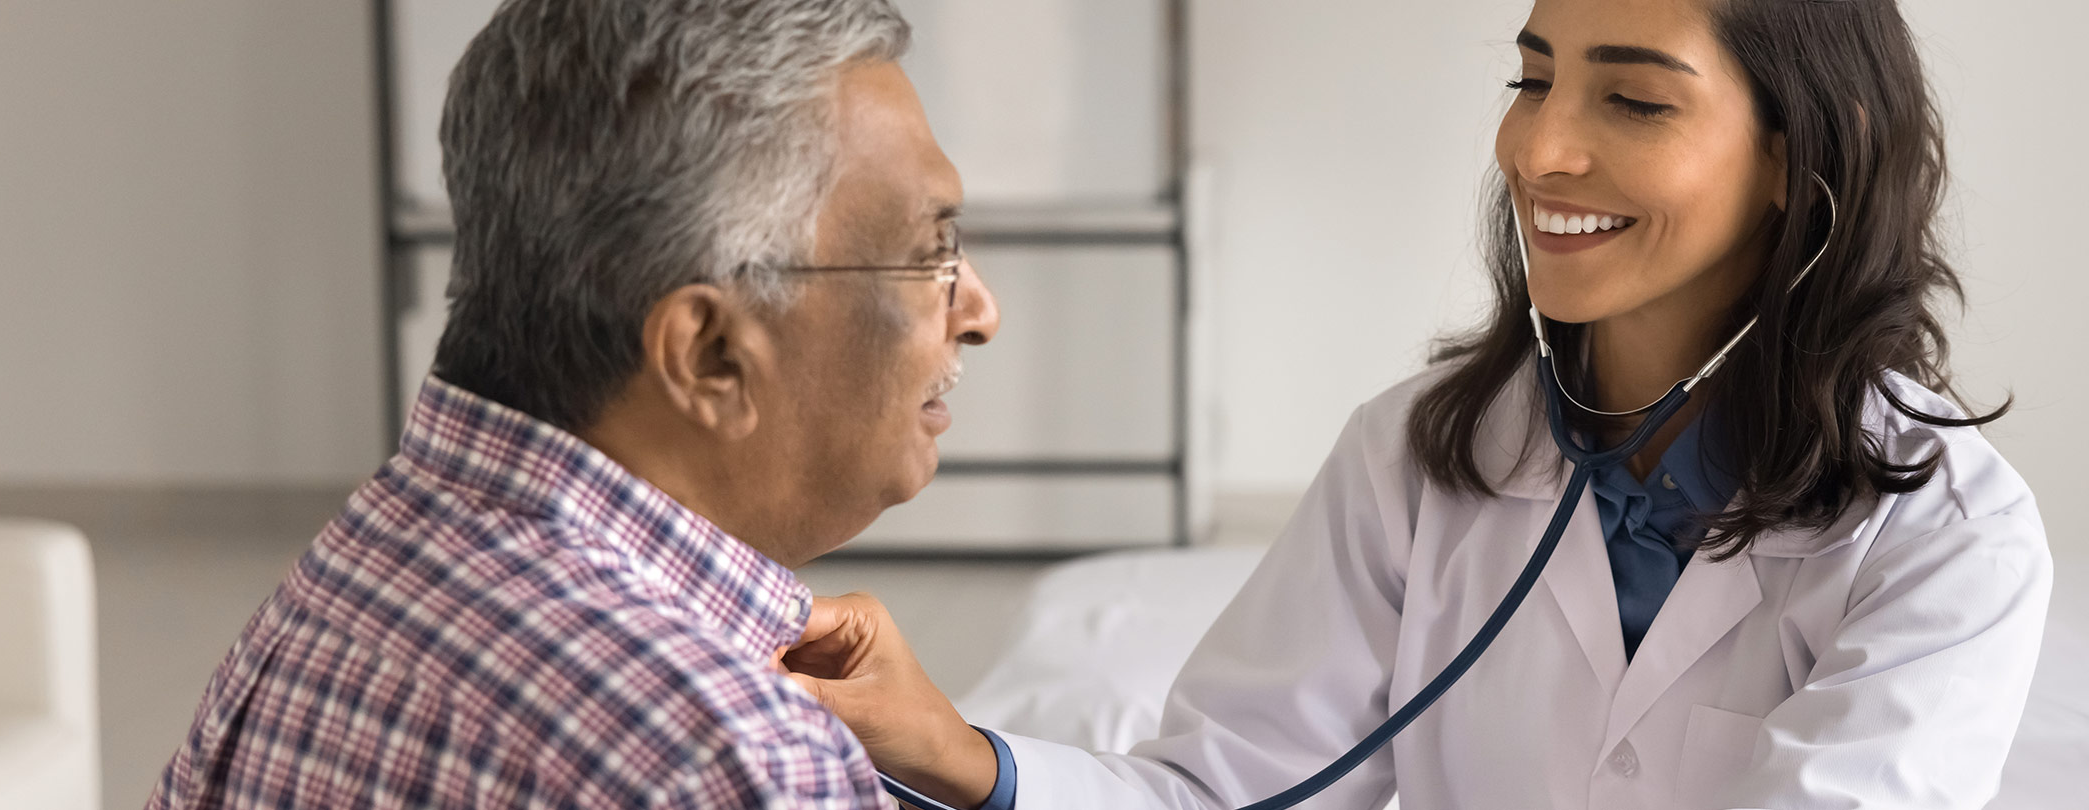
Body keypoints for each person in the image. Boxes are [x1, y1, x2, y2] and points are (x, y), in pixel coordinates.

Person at [785, 0, 2052, 808]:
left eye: (1634, 98)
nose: (1540, 148)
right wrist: (956, 751)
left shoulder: (1945, 532)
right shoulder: (1418, 452)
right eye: (1532, 77)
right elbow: (1228, 791)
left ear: (1801, 157)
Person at [146, 1, 1002, 807]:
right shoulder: (740, 759)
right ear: (710, 355)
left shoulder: (347, 580)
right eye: (934, 251)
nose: (979, 311)